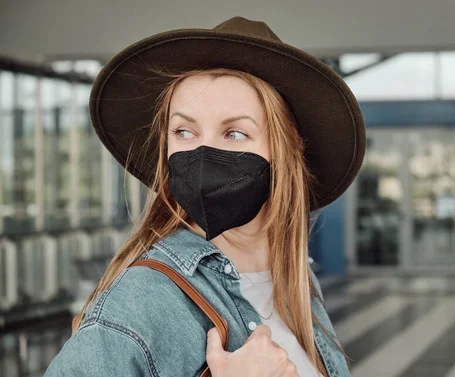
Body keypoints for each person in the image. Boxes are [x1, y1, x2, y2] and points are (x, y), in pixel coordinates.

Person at [44, 16, 365, 377]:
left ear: (286, 151)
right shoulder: (144, 301)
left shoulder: (297, 285)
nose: (202, 154)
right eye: (184, 131)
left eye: (235, 133)